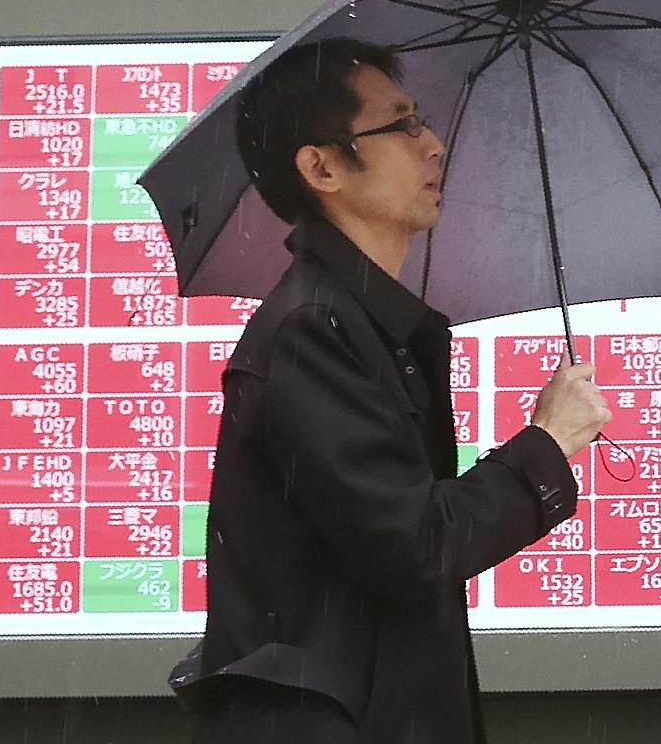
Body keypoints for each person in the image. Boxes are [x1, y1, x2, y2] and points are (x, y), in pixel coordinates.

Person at [170, 37, 611, 743]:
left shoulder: (368, 327)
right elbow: (412, 545)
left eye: (422, 121)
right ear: (321, 166)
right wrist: (546, 445)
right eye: (401, 124)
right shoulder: (311, 332)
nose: (433, 145)